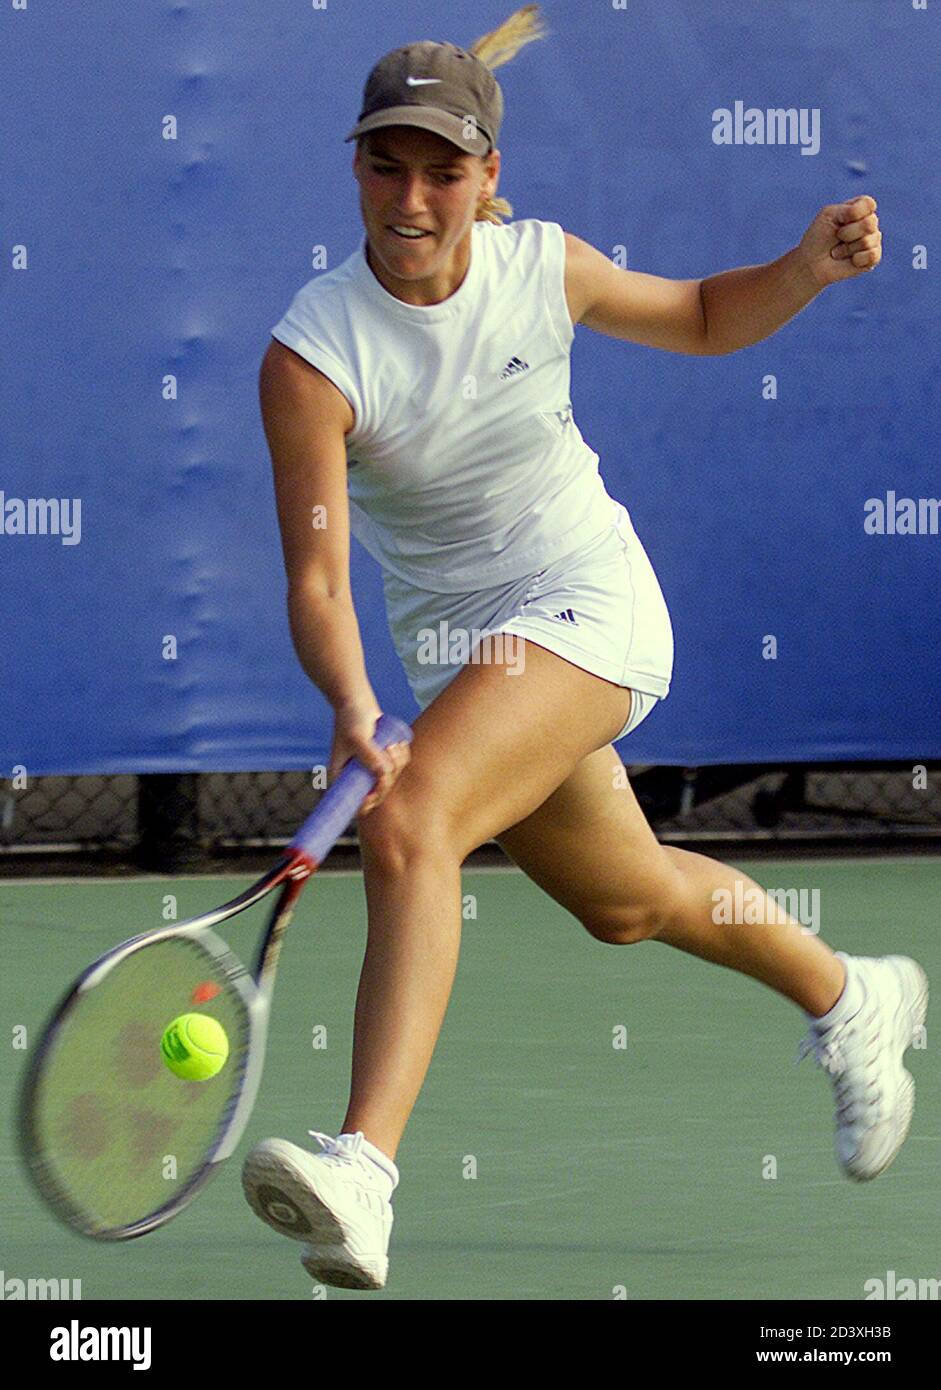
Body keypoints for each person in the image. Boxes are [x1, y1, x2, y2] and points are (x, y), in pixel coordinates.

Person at [242, 5, 925, 1292]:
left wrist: (802, 267)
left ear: (485, 177)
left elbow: (703, 315)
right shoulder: (311, 354)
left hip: (586, 601)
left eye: (442, 169)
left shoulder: (541, 266)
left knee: (411, 824)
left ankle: (364, 1170)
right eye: (386, 163)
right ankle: (851, 995)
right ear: (354, 168)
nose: (411, 195)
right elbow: (319, 573)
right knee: (627, 901)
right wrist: (347, 696)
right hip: (463, 659)